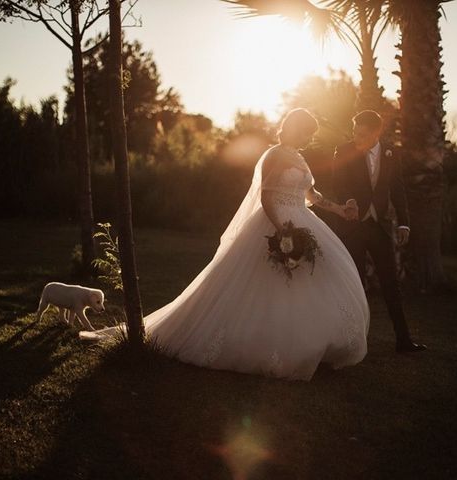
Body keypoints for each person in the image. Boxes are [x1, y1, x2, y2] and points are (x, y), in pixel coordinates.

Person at [81, 108, 370, 381]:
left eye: (311, 134)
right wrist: (283, 230)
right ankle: (272, 346)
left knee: (310, 279)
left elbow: (311, 194)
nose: (308, 139)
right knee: (268, 284)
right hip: (277, 222)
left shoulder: (298, 156)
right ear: (293, 128)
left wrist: (338, 209)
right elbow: (267, 197)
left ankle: (317, 344)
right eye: (306, 132)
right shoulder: (275, 156)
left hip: (303, 220)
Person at [332, 110, 426, 353]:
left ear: (376, 133)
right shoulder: (344, 151)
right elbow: (338, 184)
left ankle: (403, 340)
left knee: (390, 283)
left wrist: (404, 222)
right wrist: (349, 200)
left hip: (381, 226)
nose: (356, 137)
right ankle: (349, 341)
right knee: (354, 282)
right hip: (353, 225)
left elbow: (397, 189)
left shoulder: (392, 153)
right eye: (354, 132)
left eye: (362, 134)